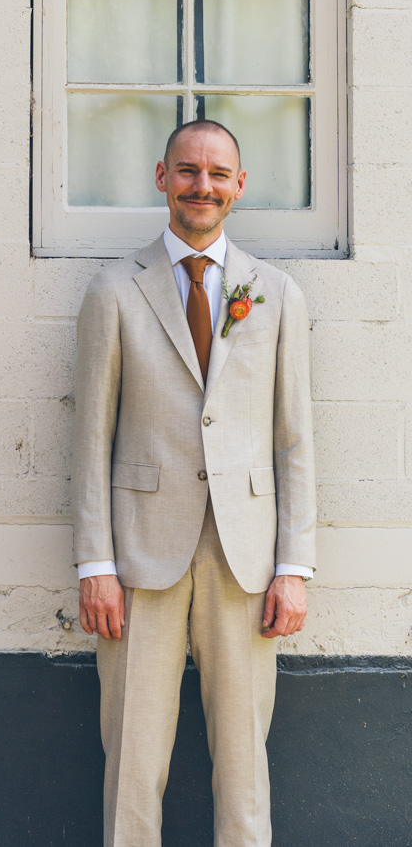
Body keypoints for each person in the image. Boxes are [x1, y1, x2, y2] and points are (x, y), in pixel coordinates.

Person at [72, 119, 316, 847]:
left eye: (216, 173)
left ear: (239, 185)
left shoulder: (274, 294)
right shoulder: (115, 290)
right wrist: (96, 564)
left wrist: (294, 568)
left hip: (245, 560)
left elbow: (294, 438)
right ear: (161, 177)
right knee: (133, 765)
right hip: (140, 559)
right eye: (187, 171)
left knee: (244, 767)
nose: (201, 186)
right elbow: (90, 437)